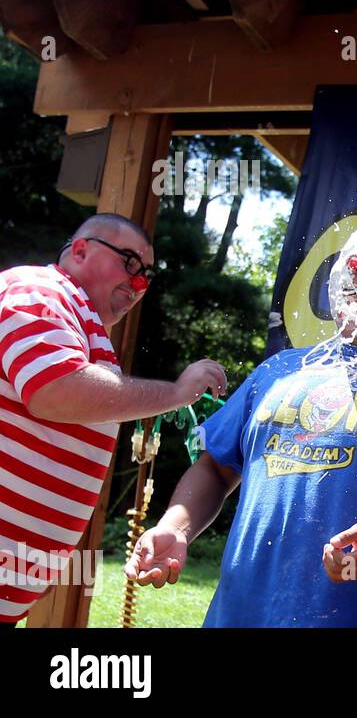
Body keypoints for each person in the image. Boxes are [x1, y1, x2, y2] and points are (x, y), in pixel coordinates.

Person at [127, 213, 357, 627]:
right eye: (350, 253)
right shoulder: (278, 370)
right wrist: (176, 527)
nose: (356, 265)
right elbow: (215, 469)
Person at [0, 213, 225, 627]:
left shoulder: (81, 325)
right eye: (129, 262)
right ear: (80, 249)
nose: (140, 284)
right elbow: (54, 389)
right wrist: (175, 394)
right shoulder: (41, 289)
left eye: (147, 275)